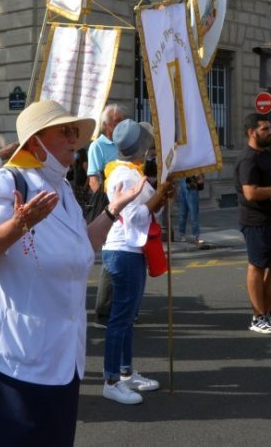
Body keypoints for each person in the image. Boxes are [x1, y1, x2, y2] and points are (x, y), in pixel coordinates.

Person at [0, 100, 145, 444]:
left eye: (75, 131)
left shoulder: (63, 192)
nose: (74, 139)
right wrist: (17, 226)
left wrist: (114, 209)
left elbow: (81, 247)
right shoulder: (4, 181)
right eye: (65, 131)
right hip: (7, 356)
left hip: (60, 356)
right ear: (35, 141)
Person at [100, 119, 174, 404]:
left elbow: (148, 212)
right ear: (141, 146)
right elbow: (136, 216)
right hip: (124, 250)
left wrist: (162, 196)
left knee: (127, 317)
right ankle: (111, 379)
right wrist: (159, 197)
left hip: (129, 249)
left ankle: (125, 372)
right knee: (121, 318)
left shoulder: (129, 171)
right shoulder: (127, 176)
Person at [235, 113, 271, 334]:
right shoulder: (248, 159)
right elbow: (251, 193)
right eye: (265, 129)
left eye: (270, 128)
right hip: (256, 221)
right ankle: (258, 317)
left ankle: (268, 313)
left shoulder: (268, 154)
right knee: (257, 266)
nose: (270, 132)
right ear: (252, 132)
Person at [87, 104, 127, 325]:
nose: (121, 124)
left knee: (126, 257)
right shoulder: (98, 146)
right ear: (107, 125)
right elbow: (93, 179)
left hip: (128, 207)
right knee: (112, 257)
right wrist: (110, 205)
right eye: (117, 120)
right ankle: (103, 311)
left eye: (123, 119)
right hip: (110, 207)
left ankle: (123, 307)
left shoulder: (127, 143)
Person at [176, 173, 204, 245]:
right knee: (183, 213)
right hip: (184, 182)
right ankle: (183, 234)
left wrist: (199, 177)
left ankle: (196, 235)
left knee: (193, 213)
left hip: (191, 183)